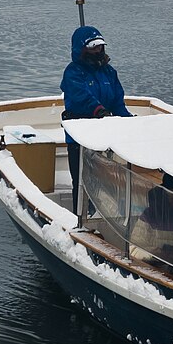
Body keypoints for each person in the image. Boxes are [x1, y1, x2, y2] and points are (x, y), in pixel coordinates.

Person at [61, 25, 131, 212]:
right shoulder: (73, 73)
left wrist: (129, 121)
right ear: (81, 49)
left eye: (100, 46)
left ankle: (102, 214)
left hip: (104, 137)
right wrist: (99, 110)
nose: (98, 50)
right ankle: (81, 215)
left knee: (104, 181)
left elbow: (117, 102)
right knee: (81, 181)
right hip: (80, 138)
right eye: (93, 47)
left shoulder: (109, 73)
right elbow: (81, 97)